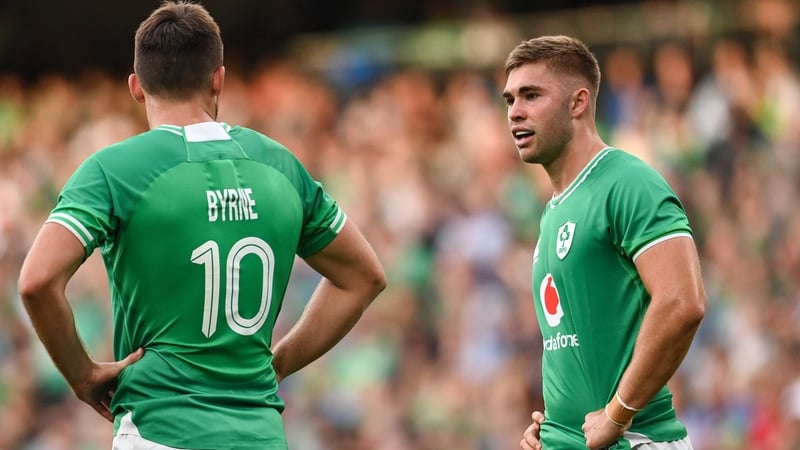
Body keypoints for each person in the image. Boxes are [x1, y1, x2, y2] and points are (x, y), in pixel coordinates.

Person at [17, 2, 386, 449]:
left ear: (136, 87)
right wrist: (279, 364)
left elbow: (37, 280)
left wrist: (83, 375)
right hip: (259, 436)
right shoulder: (281, 166)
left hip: (159, 429)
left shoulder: (114, 170)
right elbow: (364, 277)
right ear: (219, 79)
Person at [501, 35, 706, 450]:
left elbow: (683, 302)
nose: (515, 113)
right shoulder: (554, 210)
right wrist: (553, 425)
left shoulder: (628, 182)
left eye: (531, 95)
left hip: (635, 440)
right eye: (509, 100)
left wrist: (618, 413)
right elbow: (574, 342)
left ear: (578, 103)